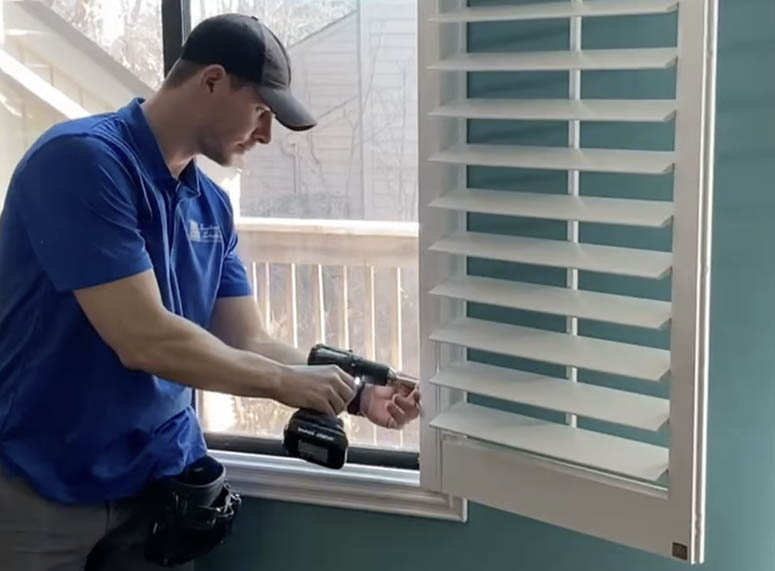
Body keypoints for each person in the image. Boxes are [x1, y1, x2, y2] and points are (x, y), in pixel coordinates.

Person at [0, 13, 420, 571]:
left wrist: (357, 394)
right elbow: (144, 339)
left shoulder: (211, 207)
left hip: (159, 479)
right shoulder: (81, 163)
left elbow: (249, 339)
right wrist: (285, 383)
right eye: (263, 111)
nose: (267, 134)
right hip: (43, 477)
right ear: (213, 81)